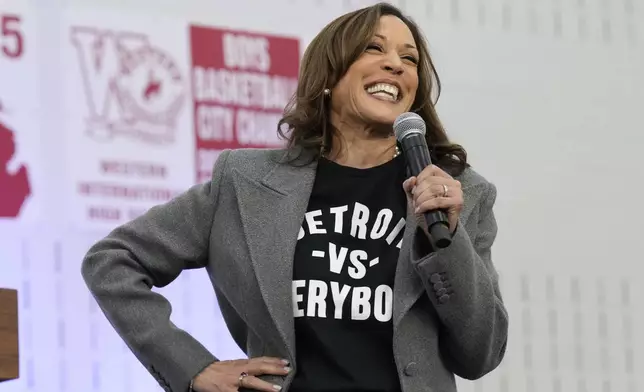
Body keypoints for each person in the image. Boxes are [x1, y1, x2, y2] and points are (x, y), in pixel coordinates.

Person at [81, 3, 508, 392]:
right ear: (328, 75)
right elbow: (113, 260)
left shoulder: (461, 194)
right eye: (373, 48)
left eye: (409, 58)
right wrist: (192, 368)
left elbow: (480, 354)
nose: (395, 64)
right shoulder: (245, 183)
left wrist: (447, 239)